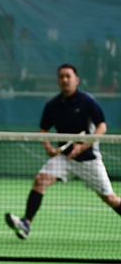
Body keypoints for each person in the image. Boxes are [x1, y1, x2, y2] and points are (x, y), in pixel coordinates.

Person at [6, 63, 120, 240]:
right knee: (40, 180)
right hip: (65, 159)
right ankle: (26, 223)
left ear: (76, 80)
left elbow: (102, 127)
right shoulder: (53, 105)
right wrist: (49, 147)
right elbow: (43, 130)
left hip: (89, 160)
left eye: (68, 76)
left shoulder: (87, 101)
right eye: (61, 77)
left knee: (111, 199)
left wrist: (82, 146)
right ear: (58, 81)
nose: (65, 80)